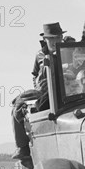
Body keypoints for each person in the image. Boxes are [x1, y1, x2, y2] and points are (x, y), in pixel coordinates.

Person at [11, 22, 65, 159]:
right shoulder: (39, 55)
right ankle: (23, 147)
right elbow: (34, 74)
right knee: (18, 105)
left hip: (66, 90)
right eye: (51, 38)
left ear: (61, 38)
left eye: (57, 37)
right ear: (45, 39)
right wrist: (38, 86)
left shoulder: (68, 51)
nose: (54, 41)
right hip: (44, 89)